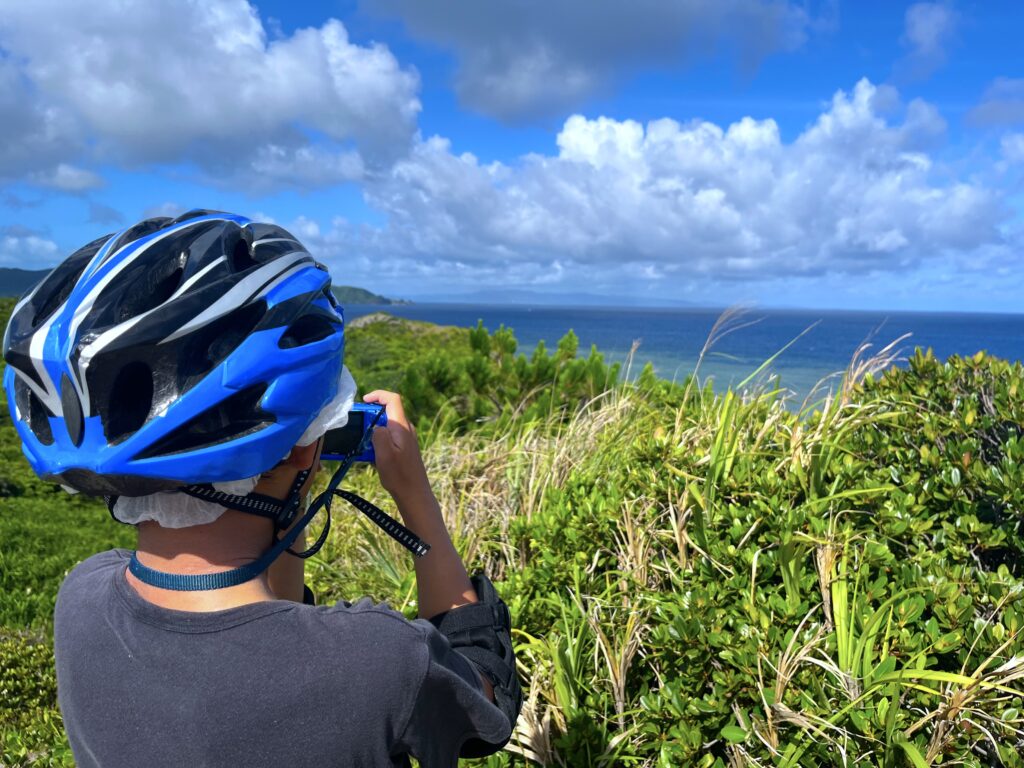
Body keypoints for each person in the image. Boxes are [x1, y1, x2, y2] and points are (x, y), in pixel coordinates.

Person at [2, 210, 522, 767]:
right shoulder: (380, 662)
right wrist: (414, 493)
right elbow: (484, 701)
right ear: (304, 449)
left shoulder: (81, 599)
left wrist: (290, 482)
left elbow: (265, 630)